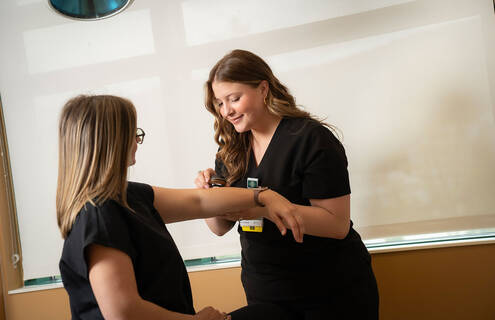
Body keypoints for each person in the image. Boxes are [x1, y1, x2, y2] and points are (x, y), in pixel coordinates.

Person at [57, 94, 304, 320]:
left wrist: (262, 196)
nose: (137, 141)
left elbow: (199, 202)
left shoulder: (128, 196)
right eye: (133, 133)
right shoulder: (99, 214)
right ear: (114, 141)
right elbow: (124, 312)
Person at [195, 49, 379, 319]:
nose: (227, 112)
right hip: (266, 291)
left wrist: (261, 209)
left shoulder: (311, 139)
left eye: (234, 99)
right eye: (220, 103)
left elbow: (337, 225)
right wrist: (208, 195)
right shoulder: (232, 149)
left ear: (263, 89)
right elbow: (219, 228)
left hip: (330, 291)